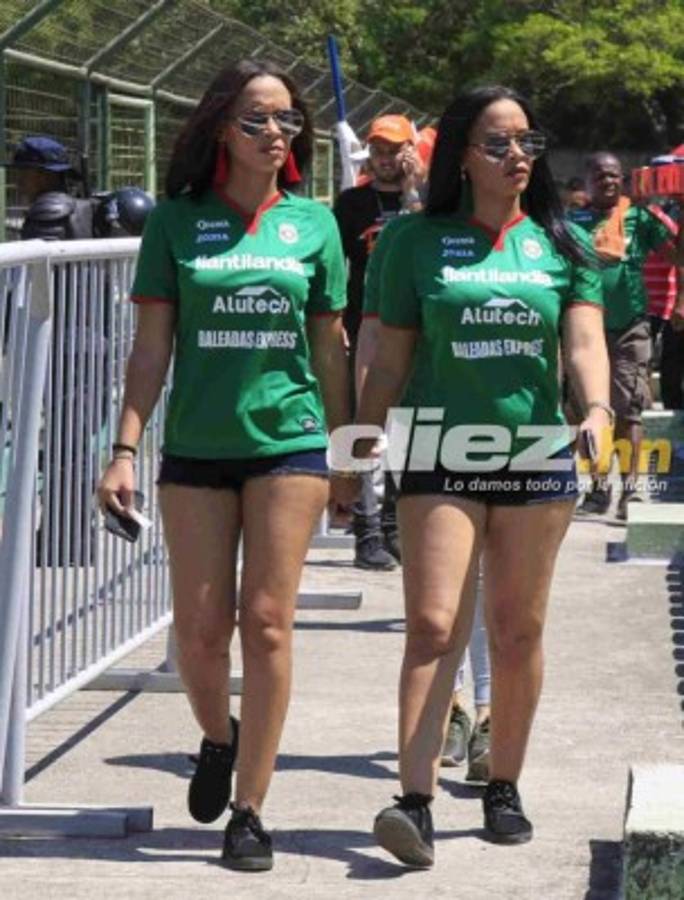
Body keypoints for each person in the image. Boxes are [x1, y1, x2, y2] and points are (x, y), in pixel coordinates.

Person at [97, 59, 353, 872]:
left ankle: (250, 808)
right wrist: (124, 447)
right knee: (201, 635)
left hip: (291, 444)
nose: (276, 134)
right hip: (197, 450)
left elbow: (330, 348)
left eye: (286, 122)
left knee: (268, 623)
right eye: (257, 120)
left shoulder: (315, 226)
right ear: (220, 129)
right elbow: (150, 349)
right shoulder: (176, 223)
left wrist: (348, 454)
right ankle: (218, 736)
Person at [352, 84, 609, 865]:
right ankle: (415, 799)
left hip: (533, 453)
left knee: (519, 627)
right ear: (461, 153)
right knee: (434, 626)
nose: (517, 157)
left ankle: (504, 783)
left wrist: (595, 409)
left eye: (527, 142)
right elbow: (387, 352)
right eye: (498, 143)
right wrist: (361, 439)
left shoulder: (562, 244)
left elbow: (585, 340)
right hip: (437, 448)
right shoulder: (411, 243)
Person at [569, 152, 684, 519]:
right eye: (601, 176)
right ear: (587, 181)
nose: (608, 182)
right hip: (582, 330)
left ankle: (630, 491)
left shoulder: (640, 217)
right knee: (588, 411)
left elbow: (677, 256)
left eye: (615, 176)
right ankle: (599, 490)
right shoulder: (570, 222)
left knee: (628, 410)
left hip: (630, 326)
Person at [334, 114, 426, 568]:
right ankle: (365, 531)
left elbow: (426, 237)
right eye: (379, 151)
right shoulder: (351, 203)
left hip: (415, 333)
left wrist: (414, 190)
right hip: (364, 327)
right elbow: (335, 270)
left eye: (395, 150)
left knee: (407, 432)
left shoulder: (430, 202)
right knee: (364, 427)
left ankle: (393, 526)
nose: (386, 159)